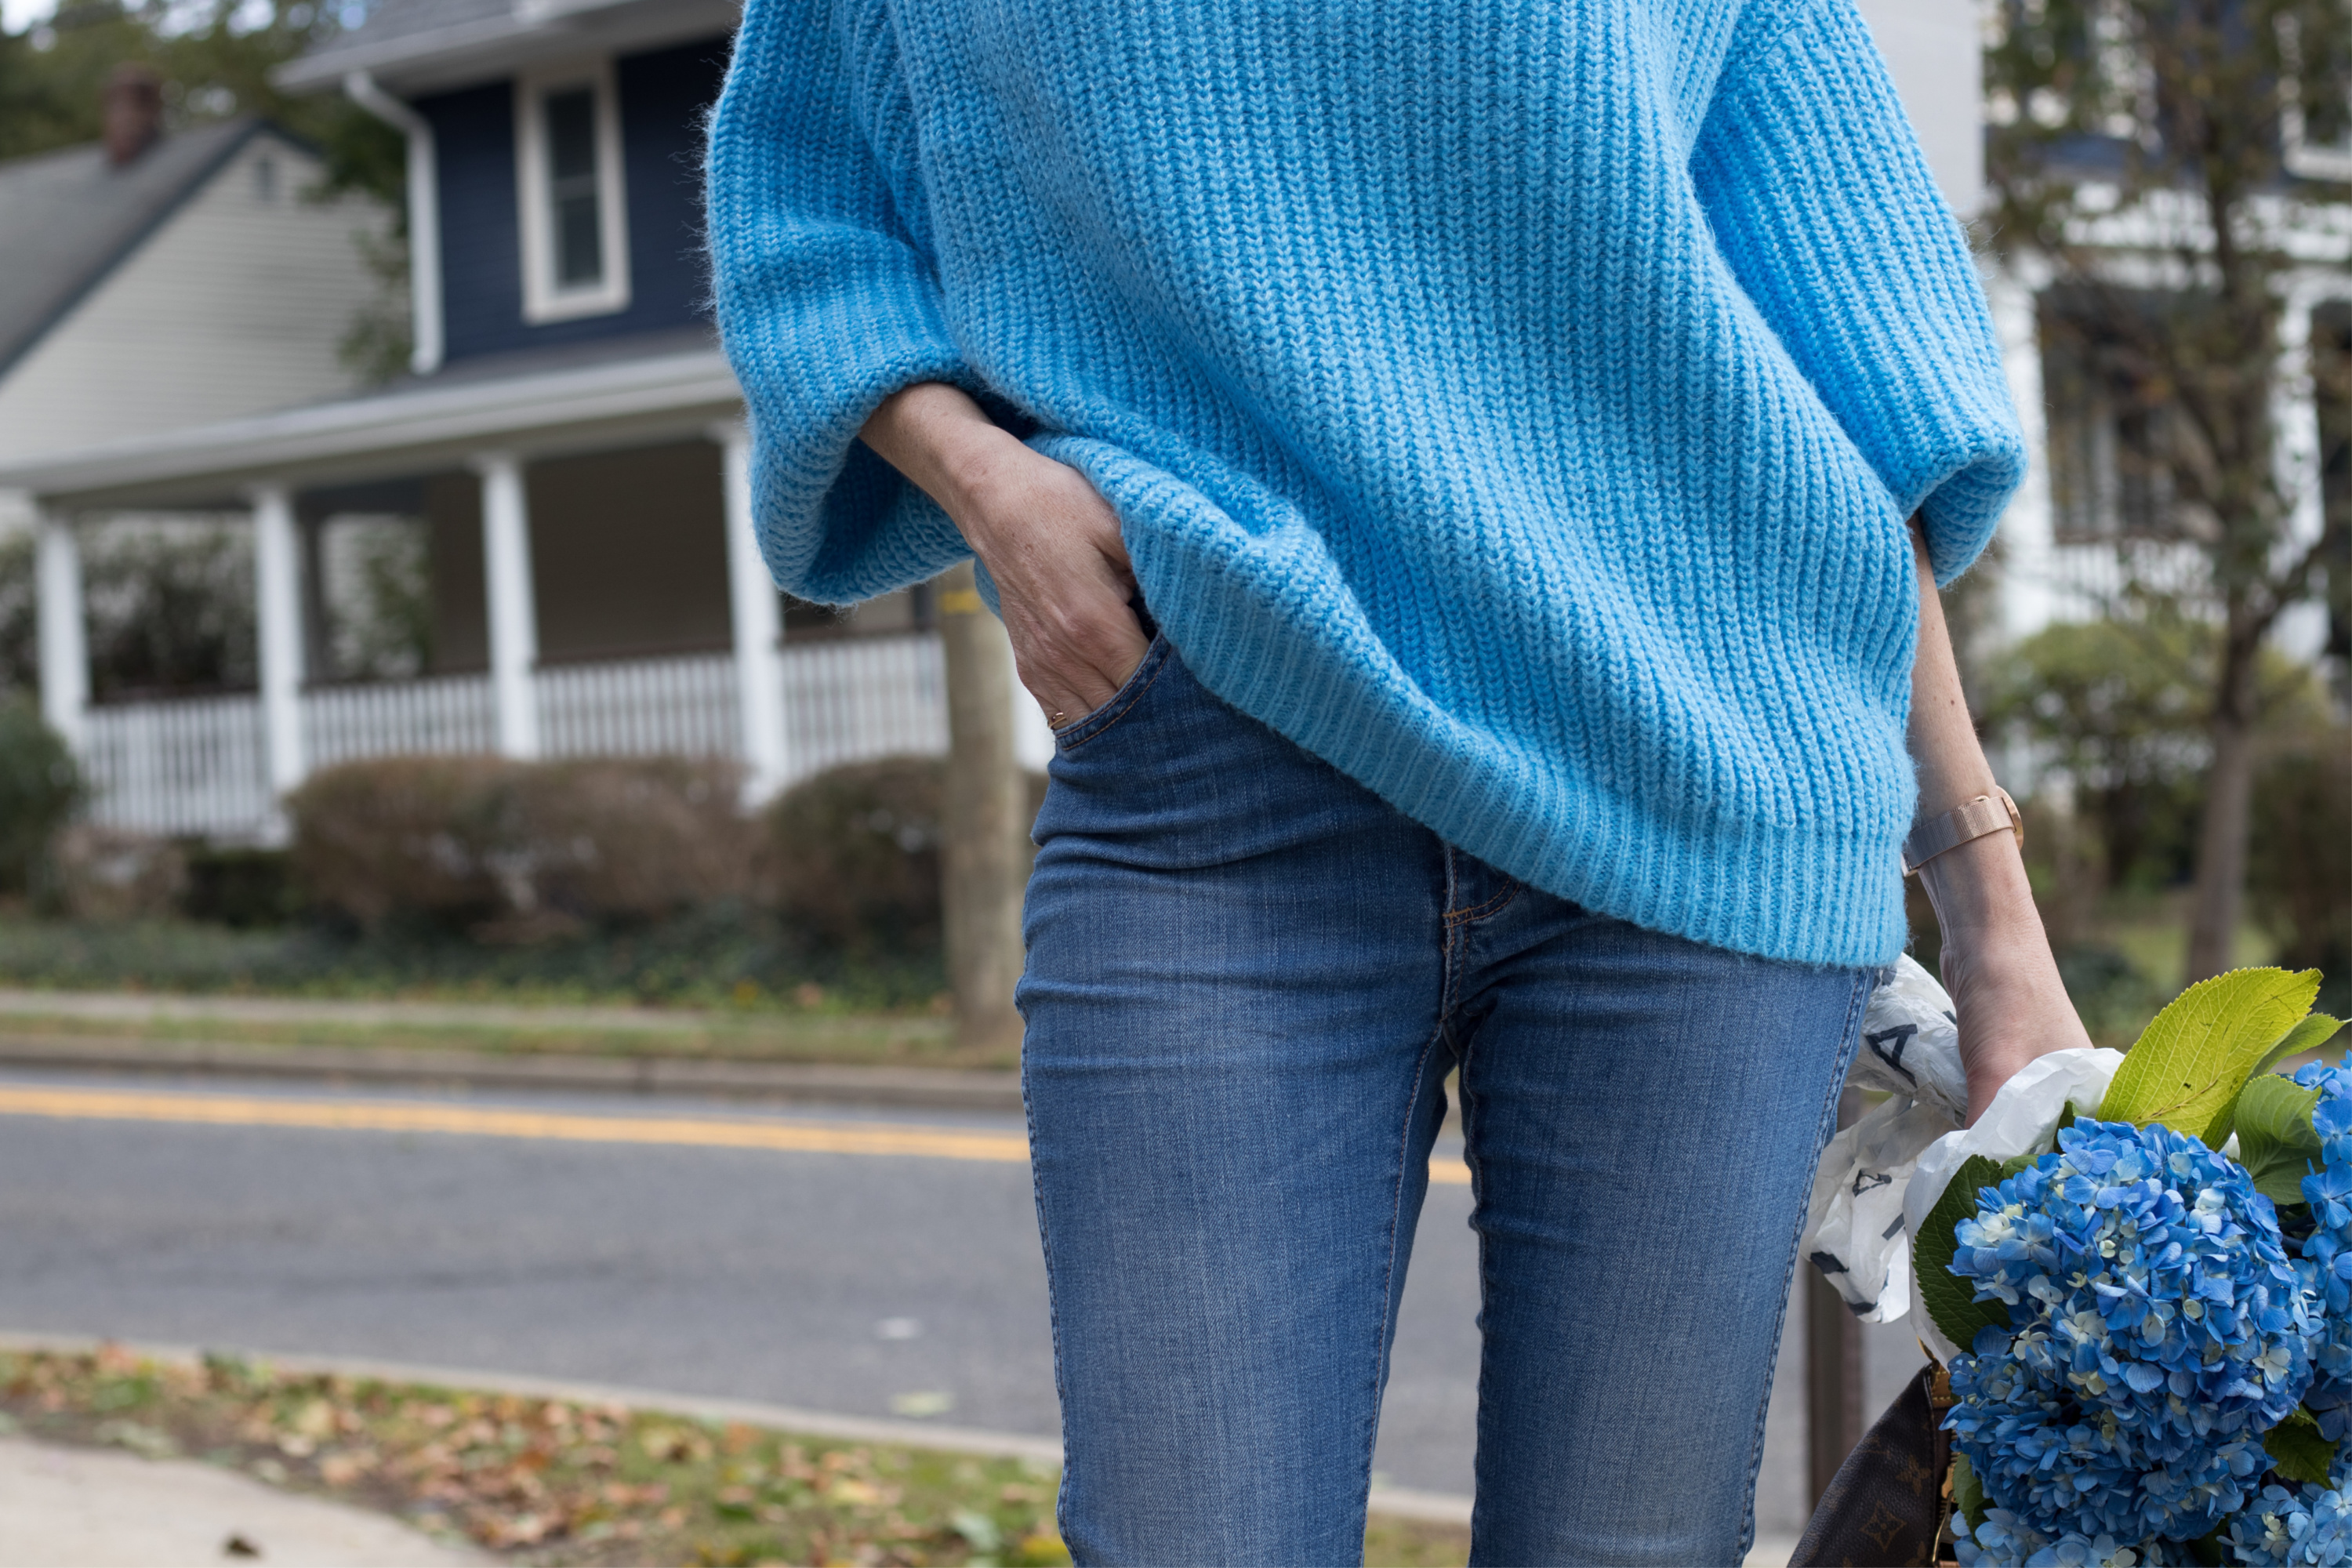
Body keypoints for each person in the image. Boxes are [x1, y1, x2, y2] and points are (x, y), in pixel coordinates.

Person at [706, 2, 2093, 1562]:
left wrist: (1992, 916)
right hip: (1214, 770)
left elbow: (1861, 377)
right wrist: (988, 484)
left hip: (1707, 775)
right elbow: (806, 211)